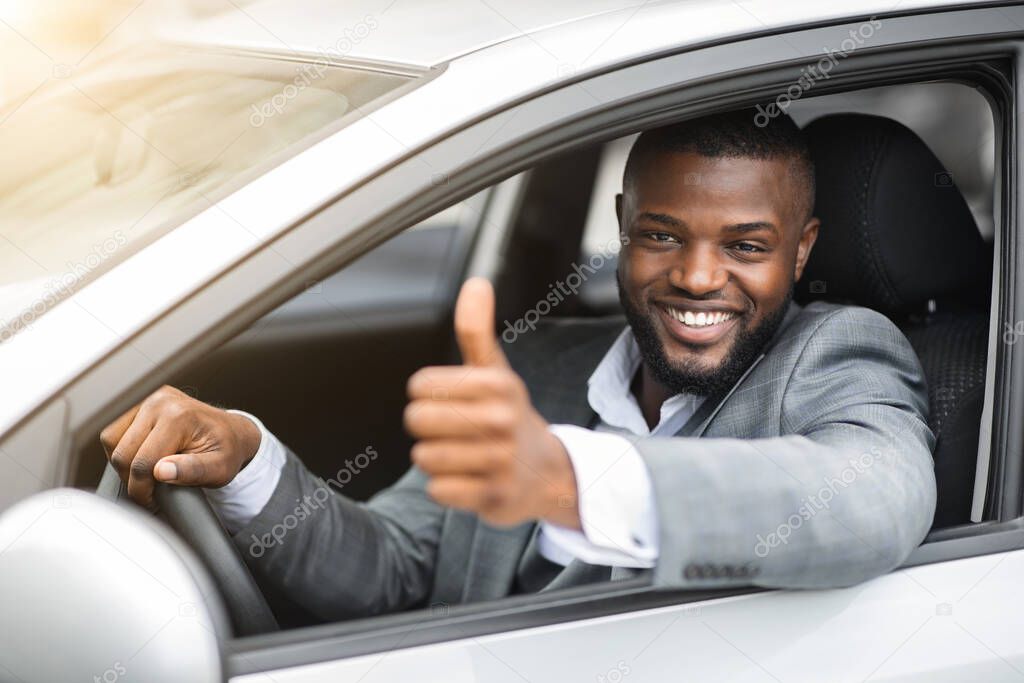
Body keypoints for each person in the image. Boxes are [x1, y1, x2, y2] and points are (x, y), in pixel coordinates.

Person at [100, 109, 936, 621]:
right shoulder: (538, 362)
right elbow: (395, 567)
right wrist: (246, 457)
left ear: (803, 251)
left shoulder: (837, 351)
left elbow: (875, 496)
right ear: (623, 223)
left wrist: (569, 477)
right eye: (661, 235)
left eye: (747, 246)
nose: (697, 276)